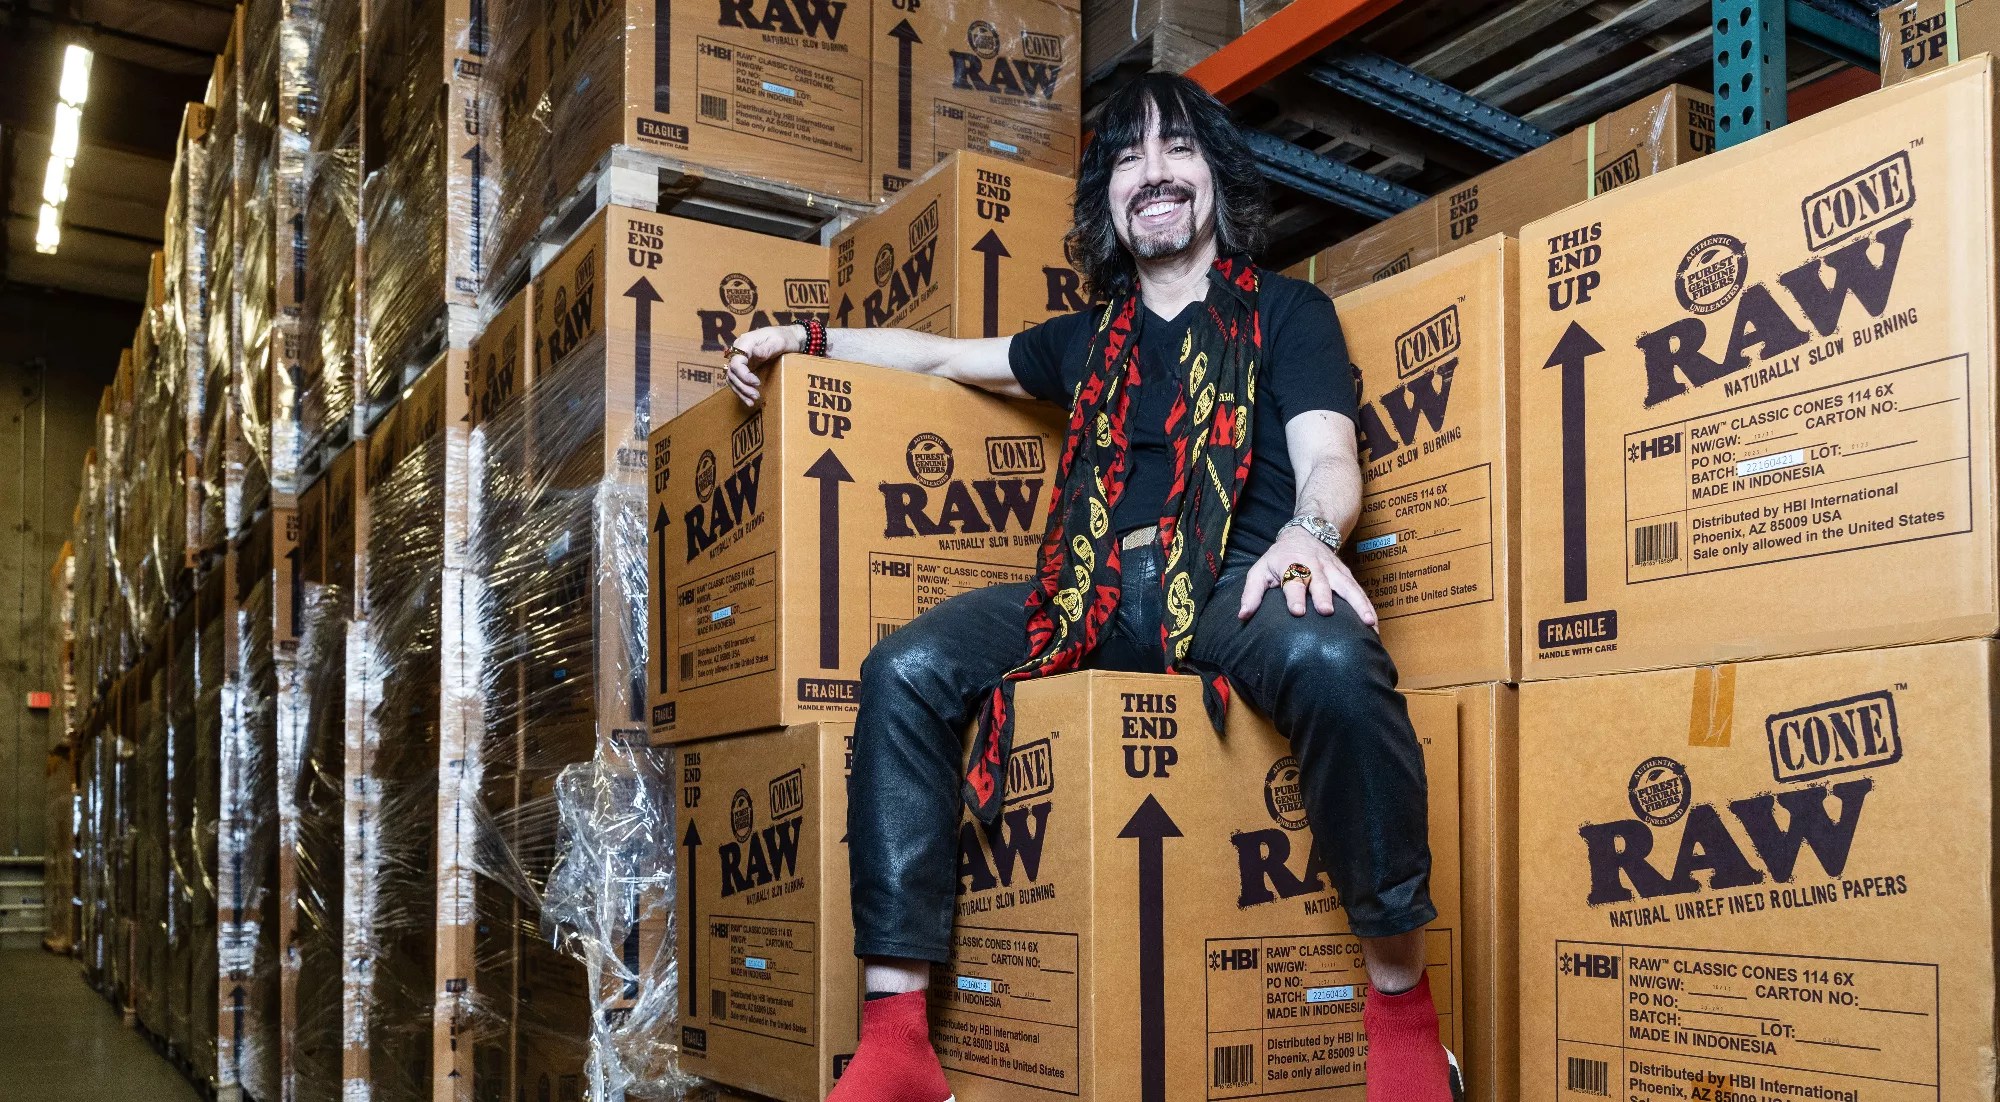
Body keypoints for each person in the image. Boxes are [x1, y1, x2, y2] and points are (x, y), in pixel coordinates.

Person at [722, 72, 1461, 1102]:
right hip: (1088, 592)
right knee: (905, 669)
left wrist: (1307, 534)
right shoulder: (1084, 339)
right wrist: (802, 338)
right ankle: (896, 1043)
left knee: (1336, 658)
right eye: (1125, 160)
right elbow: (935, 356)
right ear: (1107, 202)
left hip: (1227, 585)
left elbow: (1328, 456)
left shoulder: (1287, 314)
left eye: (1175, 152)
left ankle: (1402, 1017)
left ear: (1215, 179)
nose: (1150, 176)